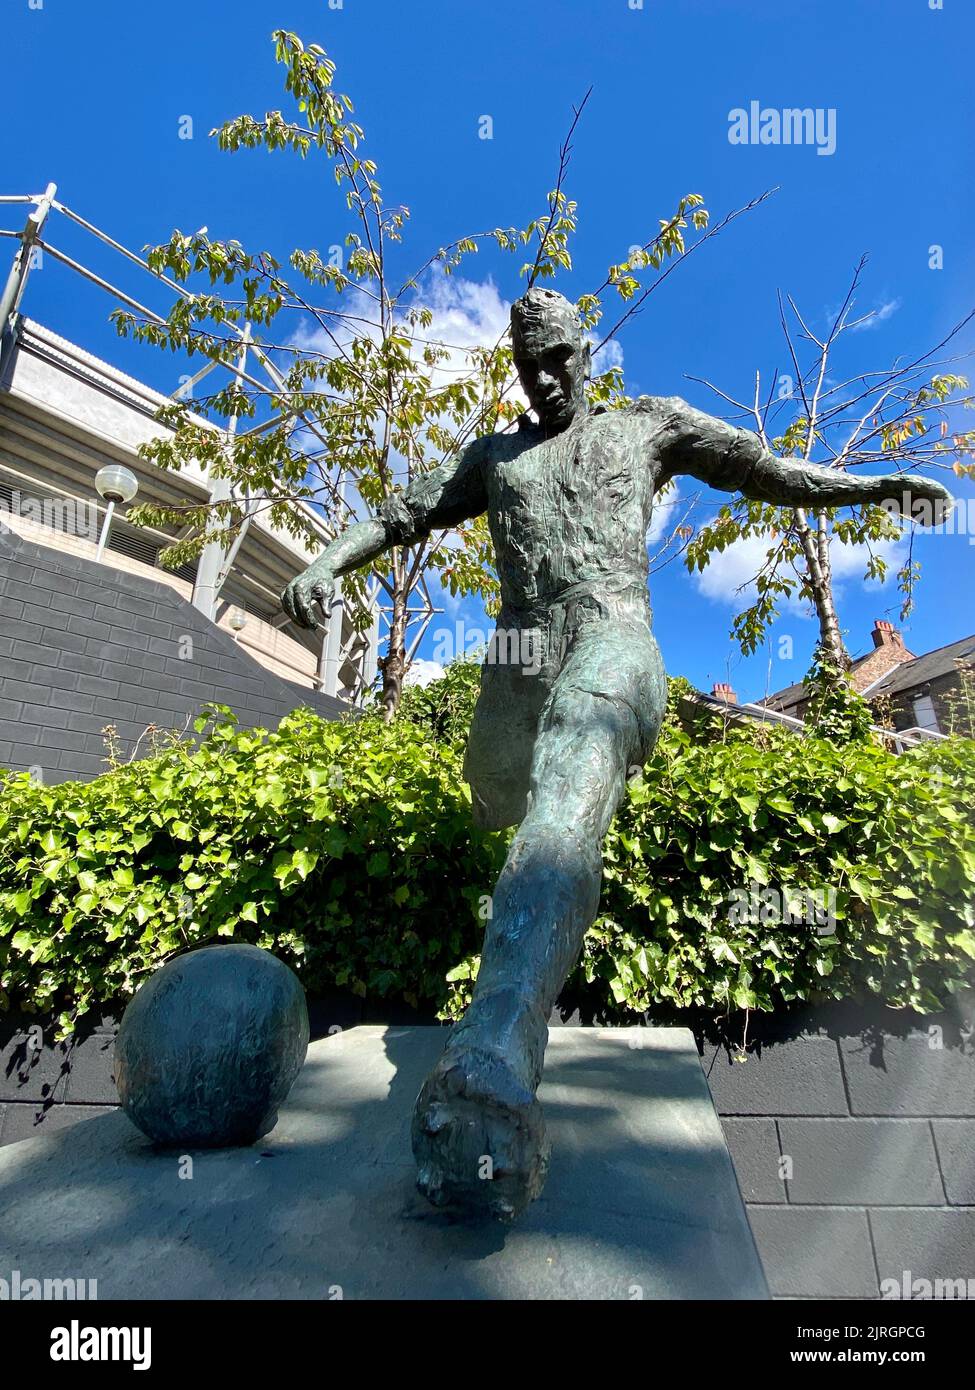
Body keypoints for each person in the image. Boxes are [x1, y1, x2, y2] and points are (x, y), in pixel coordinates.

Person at [282, 286, 952, 1220]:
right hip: (518, 659)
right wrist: (322, 562)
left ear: (586, 353)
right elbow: (399, 515)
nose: (545, 377)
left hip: (614, 638)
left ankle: (496, 1052)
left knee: (565, 795)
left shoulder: (649, 426)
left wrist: (879, 484)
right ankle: (521, 912)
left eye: (558, 357)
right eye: (526, 364)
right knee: (502, 801)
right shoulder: (495, 458)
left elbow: (771, 473)